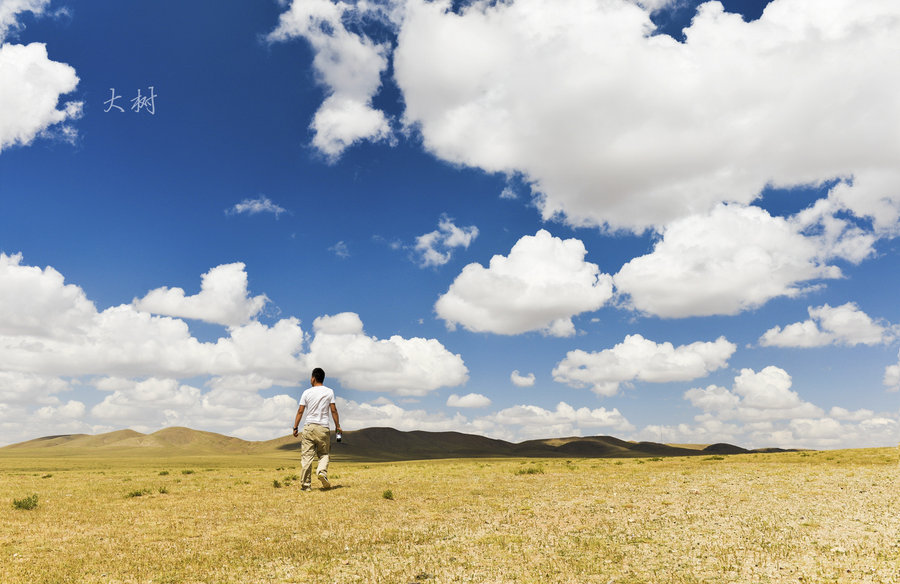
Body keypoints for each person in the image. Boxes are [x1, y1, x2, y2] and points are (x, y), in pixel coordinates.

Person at [293, 367, 342, 490]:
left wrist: (295, 427)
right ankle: (321, 471)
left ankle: (306, 486)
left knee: (306, 457)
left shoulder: (306, 392)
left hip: (309, 427)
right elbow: (333, 410)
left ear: (313, 378)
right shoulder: (329, 392)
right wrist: (337, 426)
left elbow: (300, 411)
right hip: (323, 428)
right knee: (324, 454)